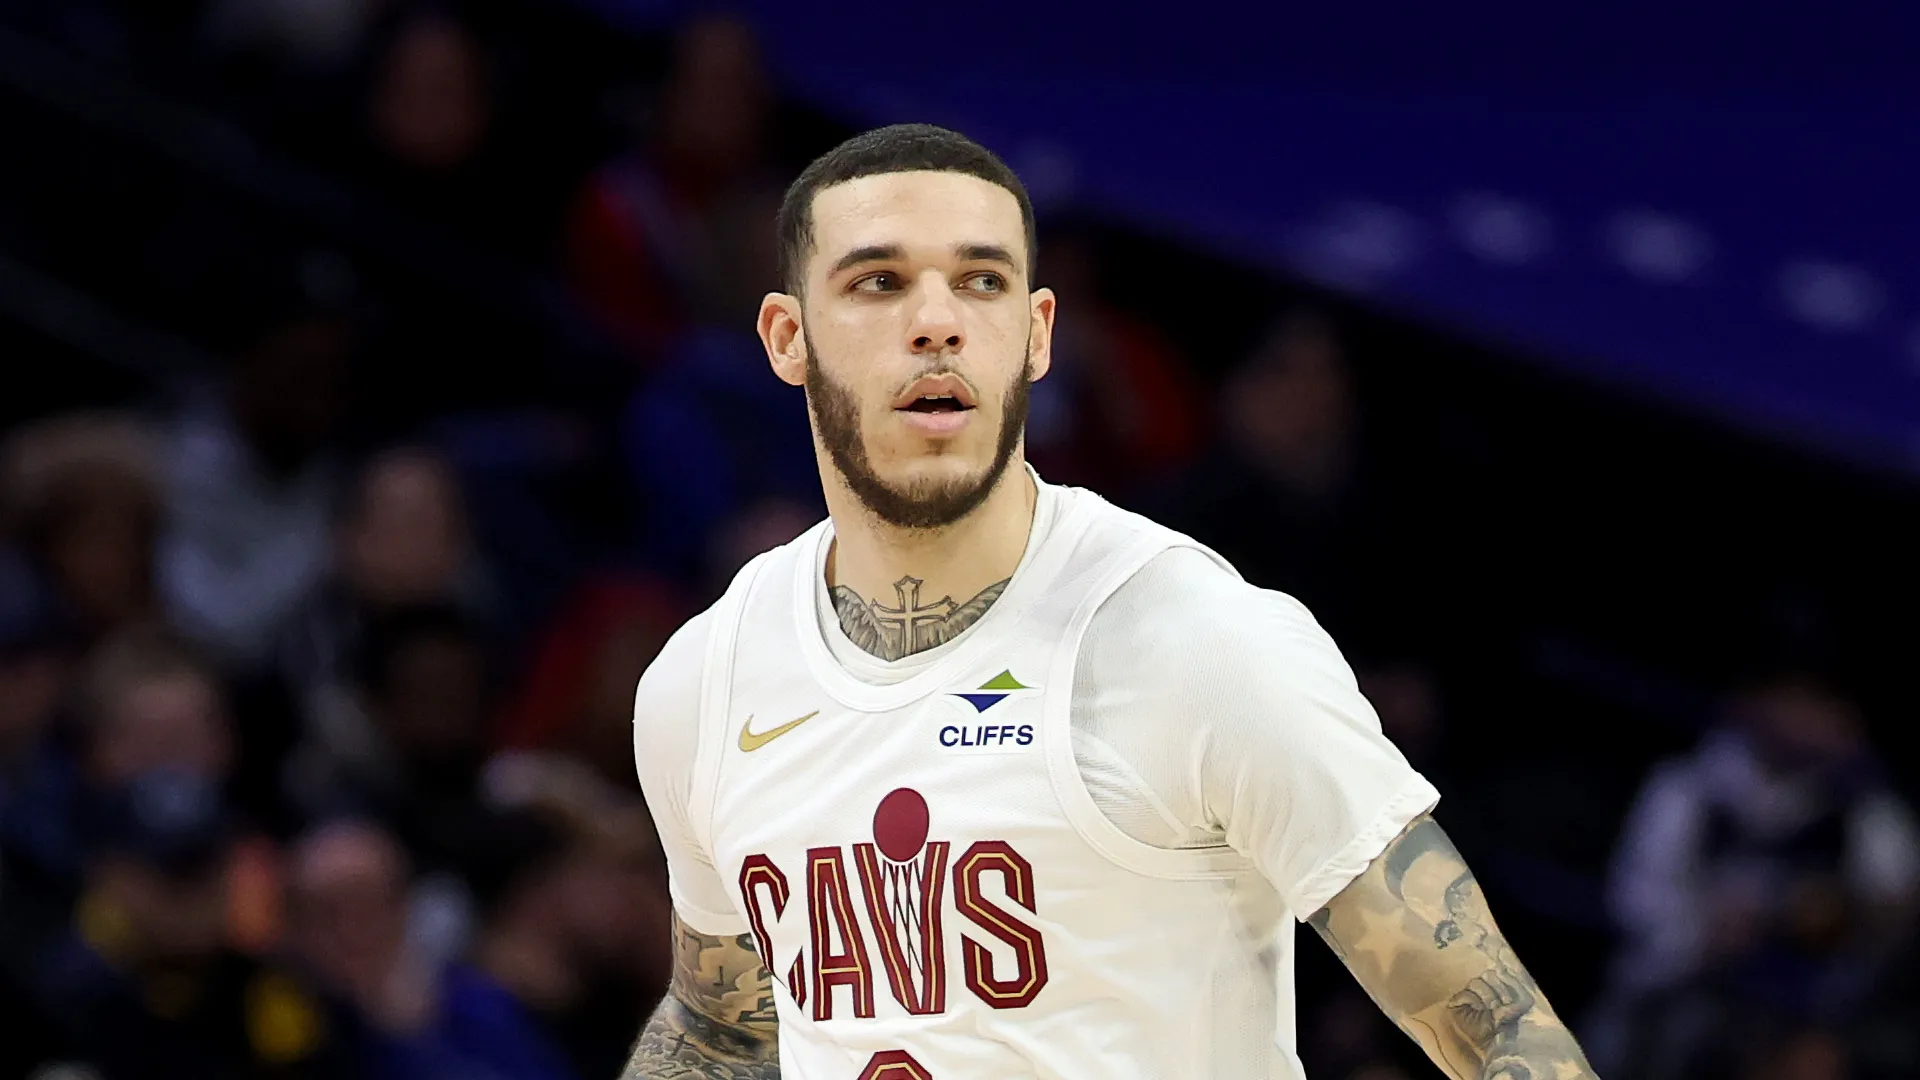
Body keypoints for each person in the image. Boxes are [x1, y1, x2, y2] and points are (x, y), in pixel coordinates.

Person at [625, 124, 1600, 1079]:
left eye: (981, 281)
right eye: (878, 282)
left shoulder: (1194, 638)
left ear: (1038, 335)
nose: (937, 323)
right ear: (788, 337)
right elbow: (721, 1029)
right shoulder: (706, 679)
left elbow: (1494, 1022)